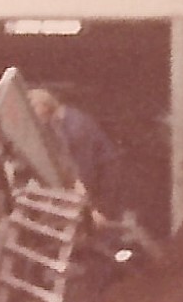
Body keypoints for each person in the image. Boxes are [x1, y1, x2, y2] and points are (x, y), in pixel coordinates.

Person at [29, 87, 124, 221]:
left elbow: (83, 173)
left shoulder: (76, 128)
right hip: (95, 178)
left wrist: (91, 209)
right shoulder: (60, 119)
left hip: (105, 181)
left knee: (100, 224)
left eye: (34, 112)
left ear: (44, 108)